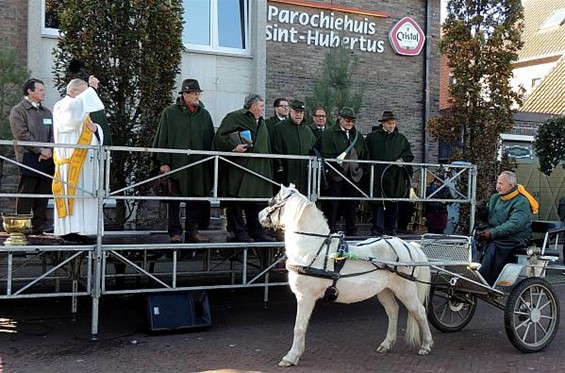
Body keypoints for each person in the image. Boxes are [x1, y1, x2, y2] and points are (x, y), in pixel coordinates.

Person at [151, 78, 214, 243]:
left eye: (198, 93)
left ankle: (193, 231)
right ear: (185, 94)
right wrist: (163, 162)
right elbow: (162, 137)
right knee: (174, 198)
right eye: (194, 93)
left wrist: (211, 162)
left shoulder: (204, 115)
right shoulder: (170, 113)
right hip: (177, 164)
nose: (197, 96)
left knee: (197, 195)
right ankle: (174, 232)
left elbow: (210, 139)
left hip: (198, 164)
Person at [213, 93, 275, 242]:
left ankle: (255, 229)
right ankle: (238, 231)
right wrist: (234, 147)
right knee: (236, 201)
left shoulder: (261, 122)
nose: (262, 109)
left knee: (255, 201)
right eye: (260, 106)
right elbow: (220, 137)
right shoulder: (234, 117)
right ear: (252, 106)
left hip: (258, 169)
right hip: (239, 167)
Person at [51, 76, 105, 243]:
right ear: (73, 92)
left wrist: (96, 129)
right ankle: (70, 231)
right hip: (70, 162)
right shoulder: (63, 106)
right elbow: (72, 120)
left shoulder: (81, 109)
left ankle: (84, 230)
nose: (87, 96)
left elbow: (92, 131)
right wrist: (92, 89)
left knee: (86, 196)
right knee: (73, 197)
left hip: (86, 164)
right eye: (83, 93)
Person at [9, 78, 54, 234]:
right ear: (30, 91)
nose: (44, 92)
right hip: (29, 156)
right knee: (26, 192)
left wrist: (49, 151)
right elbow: (21, 134)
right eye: (40, 90)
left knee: (43, 192)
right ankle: (20, 227)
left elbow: (53, 134)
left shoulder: (47, 112)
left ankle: (39, 226)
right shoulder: (18, 110)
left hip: (47, 157)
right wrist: (40, 150)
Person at [477, 171, 537, 285]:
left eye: (501, 184)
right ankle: (472, 274)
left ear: (511, 186)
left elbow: (514, 225)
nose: (497, 186)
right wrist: (481, 210)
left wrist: (492, 233)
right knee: (473, 242)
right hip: (498, 234)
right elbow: (487, 218)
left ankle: (485, 281)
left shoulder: (521, 201)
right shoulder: (495, 198)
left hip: (515, 238)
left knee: (494, 246)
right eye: (497, 183)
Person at [319, 107, 366, 235]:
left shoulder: (357, 135)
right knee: (333, 205)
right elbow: (323, 153)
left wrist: (361, 170)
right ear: (340, 118)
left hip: (354, 176)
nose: (350, 123)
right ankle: (331, 229)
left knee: (352, 204)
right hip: (335, 175)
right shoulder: (329, 134)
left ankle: (352, 229)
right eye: (347, 120)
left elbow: (365, 154)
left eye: (352, 120)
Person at [366, 110, 414, 236]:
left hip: (394, 177)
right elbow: (365, 154)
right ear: (383, 124)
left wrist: (402, 160)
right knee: (378, 204)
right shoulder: (372, 138)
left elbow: (409, 155)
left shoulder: (401, 139)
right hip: (377, 176)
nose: (391, 126)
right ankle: (377, 230)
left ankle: (391, 230)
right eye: (389, 123)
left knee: (393, 203)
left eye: (393, 123)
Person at [270, 99, 316, 195]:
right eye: (296, 112)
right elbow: (276, 149)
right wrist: (279, 168)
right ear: (290, 111)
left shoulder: (307, 131)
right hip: (286, 174)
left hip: (304, 176)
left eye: (301, 112)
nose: (298, 115)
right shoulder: (280, 128)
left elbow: (313, 150)